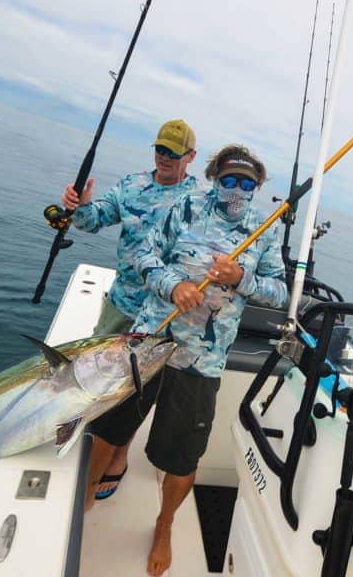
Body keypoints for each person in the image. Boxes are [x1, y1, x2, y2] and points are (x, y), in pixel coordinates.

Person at [85, 144, 288, 576]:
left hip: (202, 359)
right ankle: (85, 494)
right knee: (111, 425)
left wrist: (241, 278)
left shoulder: (265, 229)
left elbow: (280, 292)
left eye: (246, 183)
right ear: (214, 177)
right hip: (151, 340)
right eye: (229, 179)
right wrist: (173, 285)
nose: (236, 189)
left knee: (182, 457)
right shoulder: (184, 206)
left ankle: (164, 524)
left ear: (256, 188)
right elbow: (145, 256)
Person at [61, 118, 200, 498]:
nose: (165, 158)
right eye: (160, 149)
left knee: (138, 390)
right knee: (96, 373)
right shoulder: (131, 185)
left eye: (174, 152)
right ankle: (87, 435)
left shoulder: (199, 201)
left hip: (164, 315)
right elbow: (93, 221)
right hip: (122, 302)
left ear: (191, 156)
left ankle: (119, 453)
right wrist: (80, 207)